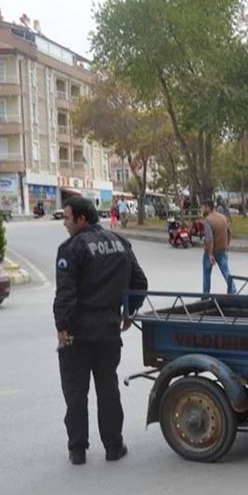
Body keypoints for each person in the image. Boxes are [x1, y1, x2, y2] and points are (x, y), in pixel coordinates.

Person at [53, 196, 148, 465]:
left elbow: (66, 294)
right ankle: (113, 446)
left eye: (67, 218)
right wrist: (128, 312)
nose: (64, 223)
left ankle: (77, 450)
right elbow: (140, 283)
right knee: (108, 388)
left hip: (78, 332)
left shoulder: (71, 249)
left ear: (82, 219)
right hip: (108, 329)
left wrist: (62, 326)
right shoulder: (120, 243)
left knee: (75, 392)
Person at [202, 200, 236, 294]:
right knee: (226, 271)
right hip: (222, 250)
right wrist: (227, 245)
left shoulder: (208, 220)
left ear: (208, 207)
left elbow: (209, 238)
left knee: (206, 273)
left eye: (203, 207)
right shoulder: (223, 218)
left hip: (211, 251)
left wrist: (210, 254)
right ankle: (233, 290)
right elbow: (229, 232)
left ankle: (206, 295)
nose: (202, 209)